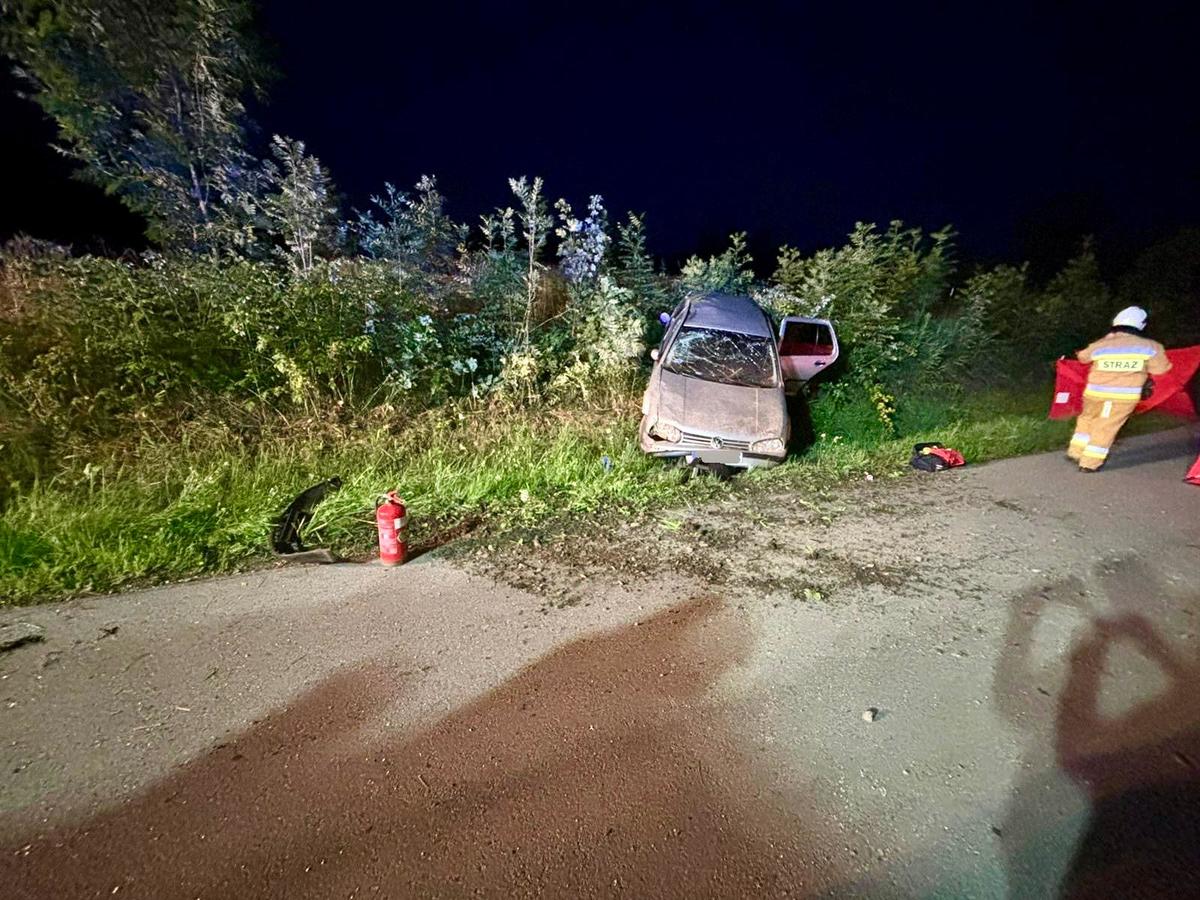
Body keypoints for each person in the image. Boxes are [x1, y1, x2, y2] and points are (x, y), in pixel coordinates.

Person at [1068, 306, 1171, 472]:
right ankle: (1089, 463)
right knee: (1106, 426)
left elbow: (1082, 357)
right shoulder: (1151, 347)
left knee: (1087, 419)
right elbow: (1161, 369)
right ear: (1142, 325)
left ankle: (1076, 451)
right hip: (1122, 397)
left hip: (1094, 393)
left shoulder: (1101, 344)